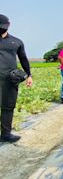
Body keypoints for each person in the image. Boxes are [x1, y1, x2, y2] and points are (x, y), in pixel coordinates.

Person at [0, 14, 33, 143]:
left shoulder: (16, 41)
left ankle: (6, 134)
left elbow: (23, 59)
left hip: (10, 80)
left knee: (8, 107)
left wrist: (29, 75)